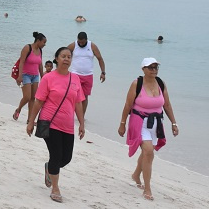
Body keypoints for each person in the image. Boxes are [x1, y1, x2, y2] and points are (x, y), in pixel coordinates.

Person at [26, 47, 85, 204]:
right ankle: (55, 188)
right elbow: (38, 101)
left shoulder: (75, 79)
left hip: (68, 125)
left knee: (66, 158)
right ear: (57, 59)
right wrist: (31, 121)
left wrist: (82, 123)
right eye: (63, 56)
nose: (66, 59)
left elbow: (78, 102)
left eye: (69, 56)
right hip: (50, 122)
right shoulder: (48, 78)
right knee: (56, 155)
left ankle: (49, 168)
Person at [118, 58, 178, 201]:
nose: (154, 70)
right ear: (143, 69)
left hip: (156, 123)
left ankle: (136, 175)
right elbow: (127, 105)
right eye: (150, 67)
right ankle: (147, 188)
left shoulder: (161, 84)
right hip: (139, 122)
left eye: (156, 67)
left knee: (148, 152)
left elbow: (167, 105)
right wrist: (122, 123)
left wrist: (174, 123)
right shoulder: (136, 84)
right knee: (149, 151)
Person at [67, 31, 106, 116]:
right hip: (75, 75)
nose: (81, 44)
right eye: (79, 42)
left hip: (88, 75)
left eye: (83, 42)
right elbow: (62, 54)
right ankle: (70, 114)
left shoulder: (92, 46)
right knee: (73, 95)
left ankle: (81, 116)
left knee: (84, 97)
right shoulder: (73, 45)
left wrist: (103, 72)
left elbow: (100, 59)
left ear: (86, 40)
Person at [13, 32, 46, 122]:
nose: (44, 44)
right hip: (25, 75)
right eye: (44, 42)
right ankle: (18, 109)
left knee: (33, 98)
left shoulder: (40, 51)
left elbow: (40, 65)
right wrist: (19, 76)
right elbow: (22, 62)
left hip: (35, 76)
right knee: (27, 97)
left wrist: (43, 77)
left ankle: (30, 120)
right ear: (38, 41)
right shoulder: (27, 48)